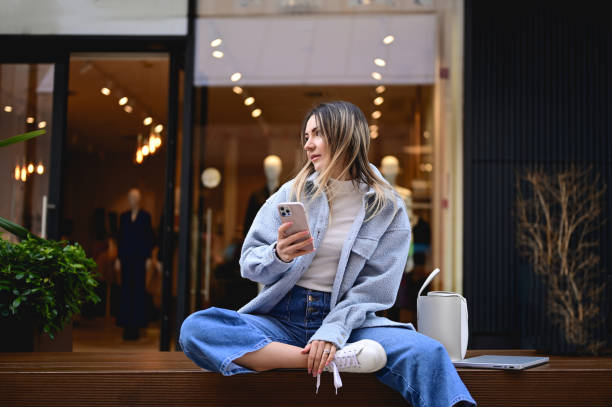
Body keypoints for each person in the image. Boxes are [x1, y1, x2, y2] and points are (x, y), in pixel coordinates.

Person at [179, 101, 475, 406]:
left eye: (317, 134)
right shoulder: (290, 193)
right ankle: (329, 361)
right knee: (196, 328)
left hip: (351, 324)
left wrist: (333, 331)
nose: (308, 145)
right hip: (282, 320)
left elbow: (375, 288)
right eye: (306, 136)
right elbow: (248, 263)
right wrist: (278, 255)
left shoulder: (387, 207)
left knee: (428, 352)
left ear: (345, 135)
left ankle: (334, 353)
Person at [116, 188, 154, 340]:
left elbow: (148, 238)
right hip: (126, 258)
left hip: (139, 259)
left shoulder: (145, 216)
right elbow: (121, 237)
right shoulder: (124, 217)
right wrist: (118, 258)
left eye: (135, 197)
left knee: (138, 290)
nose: (133, 200)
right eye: (130, 197)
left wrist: (148, 257)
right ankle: (125, 325)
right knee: (125, 290)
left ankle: (137, 326)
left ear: (139, 199)